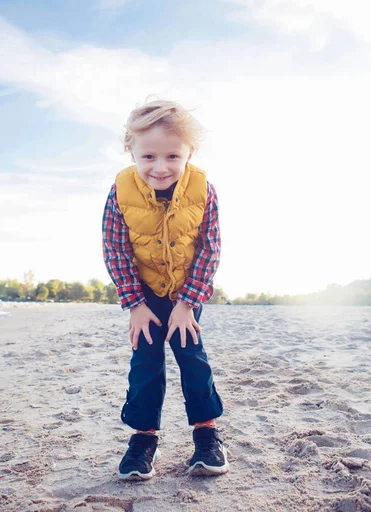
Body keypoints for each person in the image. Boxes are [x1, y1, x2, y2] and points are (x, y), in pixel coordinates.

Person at [102, 99, 228, 480]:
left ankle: (207, 436)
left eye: (173, 155)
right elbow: (115, 248)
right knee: (145, 364)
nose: (161, 167)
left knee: (193, 358)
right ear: (132, 152)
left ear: (190, 152)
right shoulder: (119, 192)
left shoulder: (204, 190)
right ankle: (143, 440)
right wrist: (135, 305)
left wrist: (189, 303)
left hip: (187, 293)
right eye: (149, 156)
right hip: (144, 295)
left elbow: (210, 247)